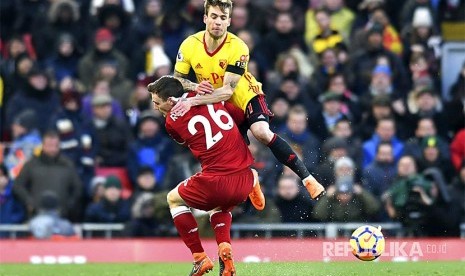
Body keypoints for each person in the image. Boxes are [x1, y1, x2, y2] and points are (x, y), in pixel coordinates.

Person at [171, 0, 324, 200]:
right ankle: (251, 179)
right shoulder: (190, 44)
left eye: (223, 18)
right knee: (226, 153)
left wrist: (191, 100)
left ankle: (308, 178)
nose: (218, 22)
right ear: (205, 18)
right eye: (214, 17)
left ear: (229, 21)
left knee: (261, 132)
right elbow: (177, 80)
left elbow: (227, 91)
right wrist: (195, 87)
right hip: (216, 103)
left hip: (245, 96)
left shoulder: (238, 47)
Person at [147, 76, 265, 276]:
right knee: (219, 207)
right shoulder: (209, 95)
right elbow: (236, 113)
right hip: (242, 177)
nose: (155, 107)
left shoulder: (171, 122)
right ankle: (226, 252)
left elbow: (184, 140)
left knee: (173, 199)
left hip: (216, 181)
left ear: (170, 101)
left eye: (157, 102)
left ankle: (199, 257)